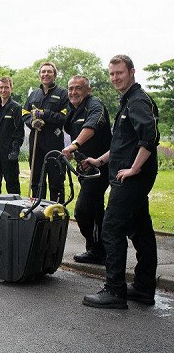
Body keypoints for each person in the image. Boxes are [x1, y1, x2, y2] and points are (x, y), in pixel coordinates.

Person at [82, 55, 160, 309]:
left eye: (120, 73)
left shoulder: (137, 101)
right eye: (112, 73)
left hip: (132, 180)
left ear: (132, 72)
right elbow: (121, 144)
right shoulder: (128, 101)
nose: (115, 78)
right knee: (141, 231)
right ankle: (143, 288)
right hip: (127, 175)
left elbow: (150, 137)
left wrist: (134, 168)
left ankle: (115, 291)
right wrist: (99, 161)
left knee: (111, 227)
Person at [61, 75, 111, 265]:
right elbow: (69, 130)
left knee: (82, 210)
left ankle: (97, 248)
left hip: (102, 166)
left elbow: (92, 126)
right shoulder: (72, 110)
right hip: (85, 167)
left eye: (78, 88)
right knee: (96, 209)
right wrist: (74, 151)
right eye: (71, 88)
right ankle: (99, 250)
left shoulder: (95, 104)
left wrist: (74, 145)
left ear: (88, 90)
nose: (73, 92)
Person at [22, 62, 69, 202]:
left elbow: (64, 116)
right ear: (39, 75)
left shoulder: (63, 94)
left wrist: (44, 114)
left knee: (56, 181)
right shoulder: (33, 95)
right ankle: (38, 212)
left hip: (54, 142)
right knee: (36, 180)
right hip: (36, 143)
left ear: (54, 75)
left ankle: (57, 212)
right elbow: (24, 112)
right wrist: (32, 121)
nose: (45, 74)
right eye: (43, 72)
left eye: (49, 72)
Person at [0, 76, 24, 194]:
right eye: (1, 87)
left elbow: (19, 131)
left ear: (11, 88)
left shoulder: (16, 108)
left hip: (9, 152)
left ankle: (14, 209)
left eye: (6, 87)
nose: (3, 90)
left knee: (12, 183)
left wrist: (15, 150)